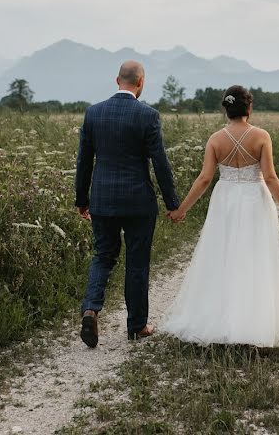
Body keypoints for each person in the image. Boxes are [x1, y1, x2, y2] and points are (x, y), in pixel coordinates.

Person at [161, 85, 279, 347]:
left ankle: (219, 321)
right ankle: (254, 325)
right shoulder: (261, 136)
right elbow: (270, 178)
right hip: (254, 199)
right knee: (255, 258)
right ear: (249, 107)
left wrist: (182, 210)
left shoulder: (216, 139)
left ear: (225, 109)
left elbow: (204, 179)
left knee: (222, 256)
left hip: (225, 199)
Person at [74, 60, 181, 347]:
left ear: (116, 80)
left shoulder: (93, 114)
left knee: (103, 256)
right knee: (137, 262)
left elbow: (84, 162)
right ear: (141, 82)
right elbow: (161, 164)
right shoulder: (148, 116)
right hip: (138, 203)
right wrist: (173, 203)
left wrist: (81, 200)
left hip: (102, 200)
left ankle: (91, 308)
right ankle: (136, 326)